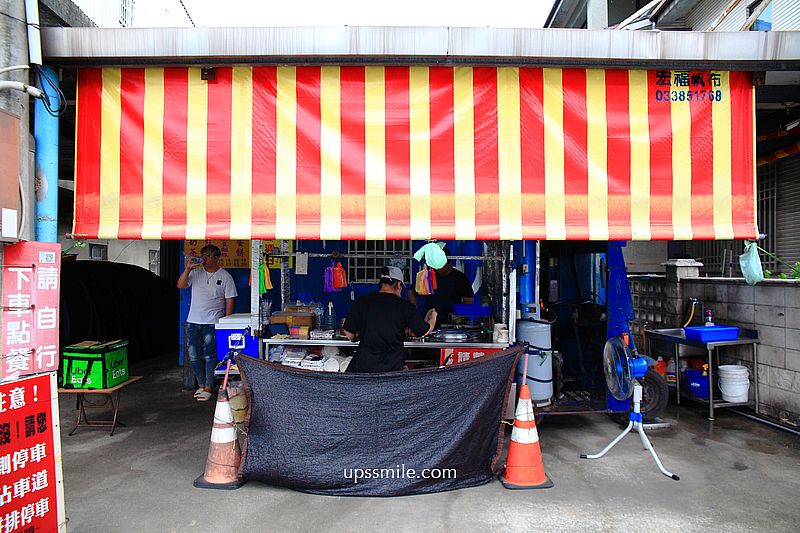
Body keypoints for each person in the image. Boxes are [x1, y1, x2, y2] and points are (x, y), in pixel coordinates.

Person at [343, 266, 436, 373]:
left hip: (365, 367)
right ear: (399, 284)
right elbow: (422, 331)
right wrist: (433, 316)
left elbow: (349, 332)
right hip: (392, 370)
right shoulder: (405, 306)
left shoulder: (363, 301)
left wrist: (356, 338)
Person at [177, 244, 238, 401]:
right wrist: (188, 268)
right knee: (193, 355)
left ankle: (209, 387)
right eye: (203, 255)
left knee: (210, 355)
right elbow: (181, 285)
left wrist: (226, 322)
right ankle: (201, 385)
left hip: (213, 322)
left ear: (216, 258)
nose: (204, 259)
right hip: (193, 321)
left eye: (208, 256)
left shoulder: (225, 276)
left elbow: (229, 300)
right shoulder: (195, 273)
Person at [408, 251, 474, 328]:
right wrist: (414, 308)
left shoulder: (460, 278)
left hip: (451, 323)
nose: (437, 267)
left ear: (449, 263)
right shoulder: (428, 275)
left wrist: (462, 316)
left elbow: (468, 300)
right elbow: (412, 292)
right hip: (429, 320)